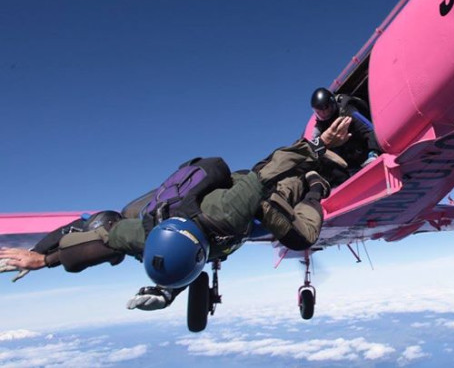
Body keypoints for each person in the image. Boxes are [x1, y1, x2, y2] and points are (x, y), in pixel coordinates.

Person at [0, 116, 353, 310]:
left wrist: (318, 146)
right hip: (193, 212)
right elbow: (101, 239)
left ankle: (316, 182)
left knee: (300, 232)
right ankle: (171, 287)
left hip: (254, 193)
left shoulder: (228, 214)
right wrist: (40, 260)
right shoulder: (141, 234)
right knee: (112, 219)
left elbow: (269, 171)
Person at [310, 88, 381, 181]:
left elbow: (368, 129)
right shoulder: (319, 126)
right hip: (348, 158)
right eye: (319, 112)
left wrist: (373, 154)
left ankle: (372, 154)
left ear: (332, 104)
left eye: (325, 109)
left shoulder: (347, 110)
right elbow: (313, 147)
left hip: (364, 148)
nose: (323, 114)